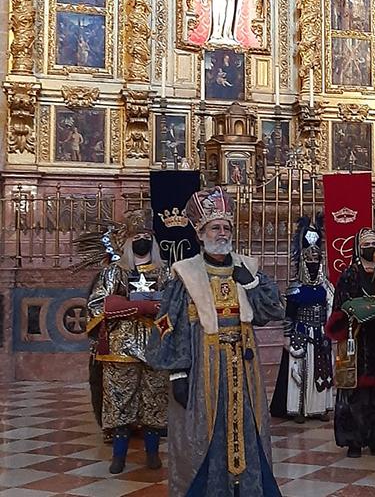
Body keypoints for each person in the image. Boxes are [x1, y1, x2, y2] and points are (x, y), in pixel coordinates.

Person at [146, 186, 284, 496]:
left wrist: (252, 283)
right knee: (208, 433)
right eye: (214, 227)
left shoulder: (248, 267)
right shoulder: (186, 274)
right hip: (204, 371)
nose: (221, 233)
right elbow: (173, 325)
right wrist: (178, 373)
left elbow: (273, 309)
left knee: (248, 432)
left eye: (226, 227)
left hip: (245, 370)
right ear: (200, 232)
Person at [80, 210, 170, 473]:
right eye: (137, 236)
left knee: (154, 400)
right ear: (128, 241)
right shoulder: (114, 273)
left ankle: (152, 454)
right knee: (120, 401)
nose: (142, 240)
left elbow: (176, 305)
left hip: (155, 346)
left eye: (146, 236)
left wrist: (157, 308)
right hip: (121, 347)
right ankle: (118, 456)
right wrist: (129, 307)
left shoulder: (166, 272)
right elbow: (97, 304)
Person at [325, 227, 375, 458]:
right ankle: (354, 441)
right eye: (366, 244)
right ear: (359, 248)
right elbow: (339, 308)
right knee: (355, 395)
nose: (371, 247)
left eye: (374, 243)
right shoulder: (349, 276)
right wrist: (356, 311)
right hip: (357, 340)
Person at [270, 214, 335, 422]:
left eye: (317, 258)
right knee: (300, 371)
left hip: (321, 333)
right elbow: (289, 316)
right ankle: (299, 409)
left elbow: (330, 308)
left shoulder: (326, 288)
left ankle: (320, 407)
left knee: (321, 369)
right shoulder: (295, 289)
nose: (314, 261)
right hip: (301, 334)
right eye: (310, 258)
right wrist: (287, 338)